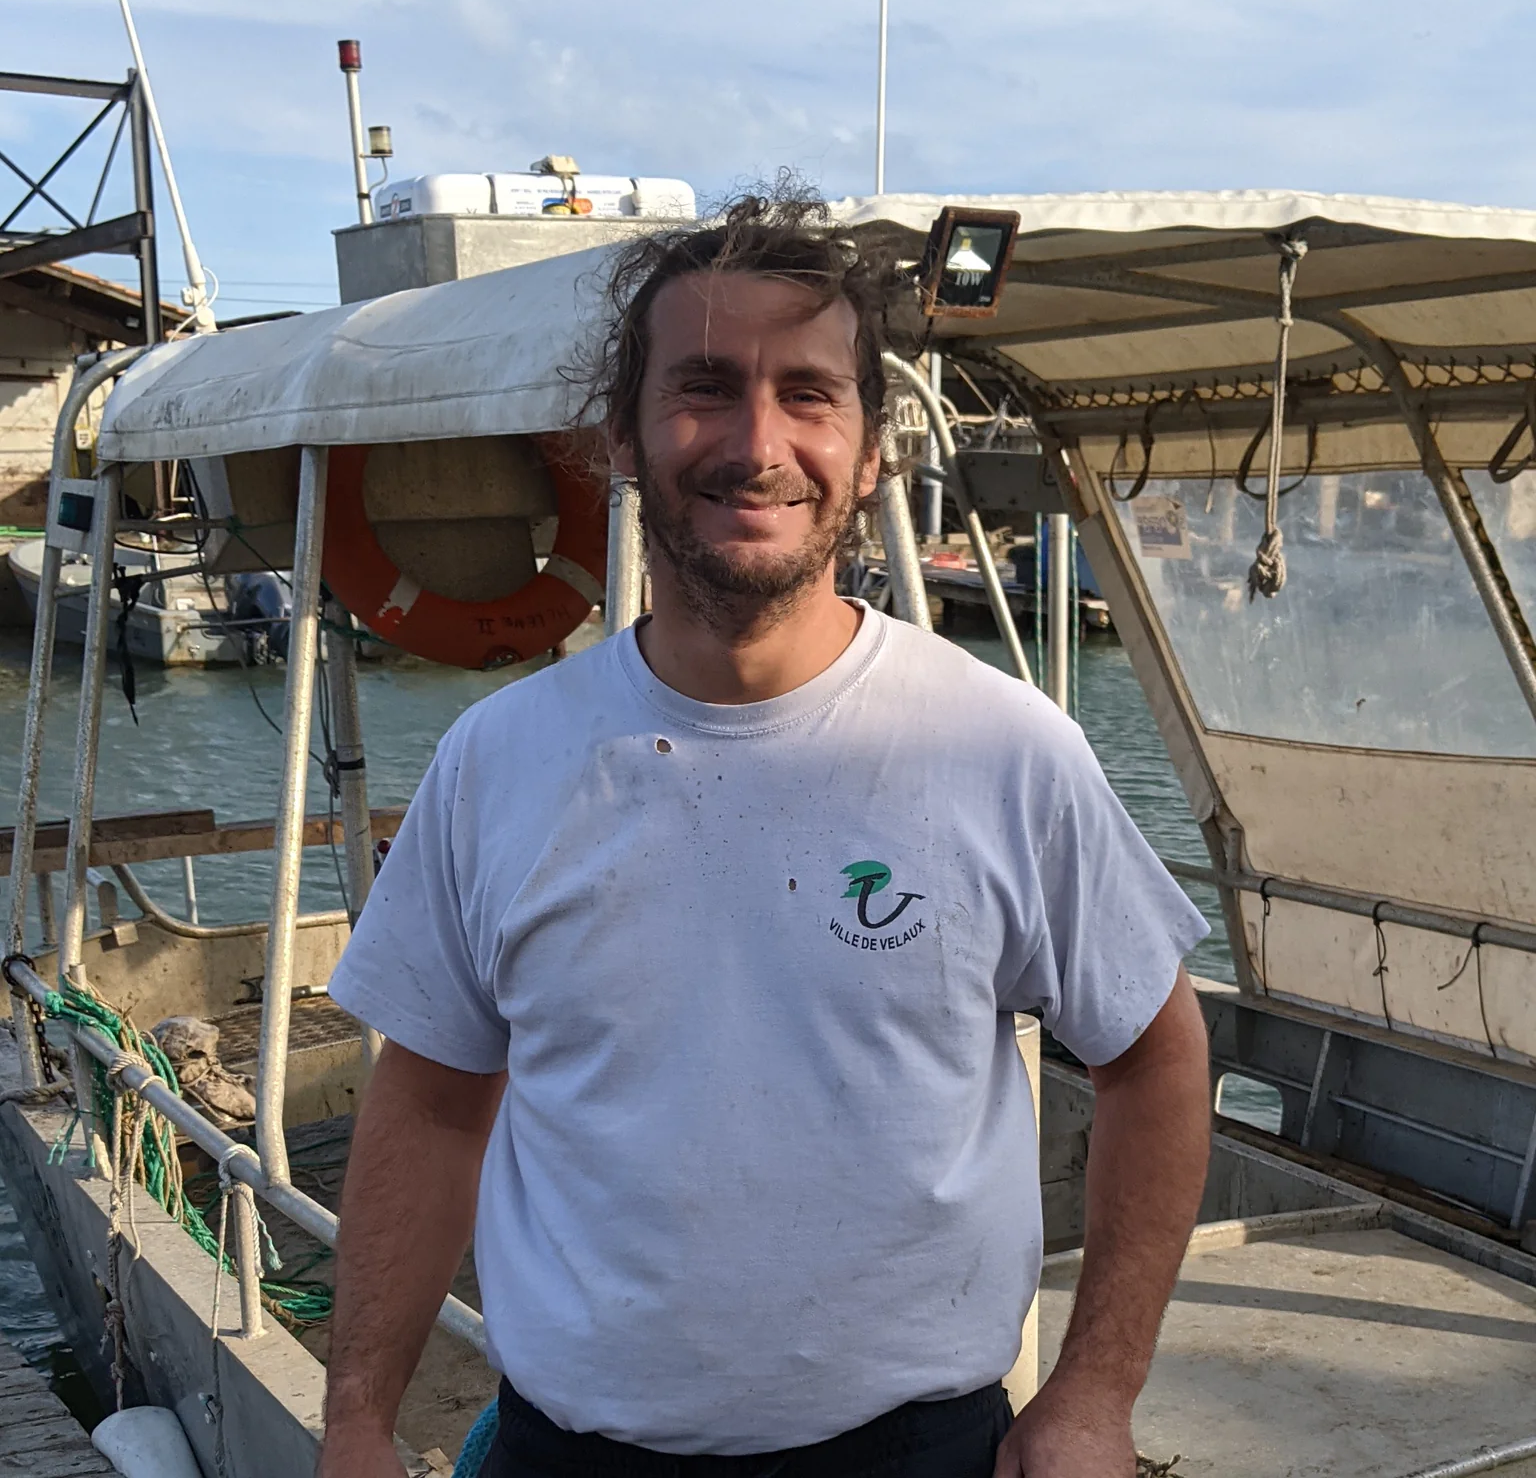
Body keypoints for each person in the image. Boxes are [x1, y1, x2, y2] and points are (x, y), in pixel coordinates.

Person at [317, 192, 1213, 1478]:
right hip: (565, 1455)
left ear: (869, 445)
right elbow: (434, 1100)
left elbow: (1157, 1057)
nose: (756, 441)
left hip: (918, 1455)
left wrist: (1095, 1395)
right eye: (701, 387)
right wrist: (357, 1420)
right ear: (617, 437)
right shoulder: (495, 766)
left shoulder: (1004, 749)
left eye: (808, 392)